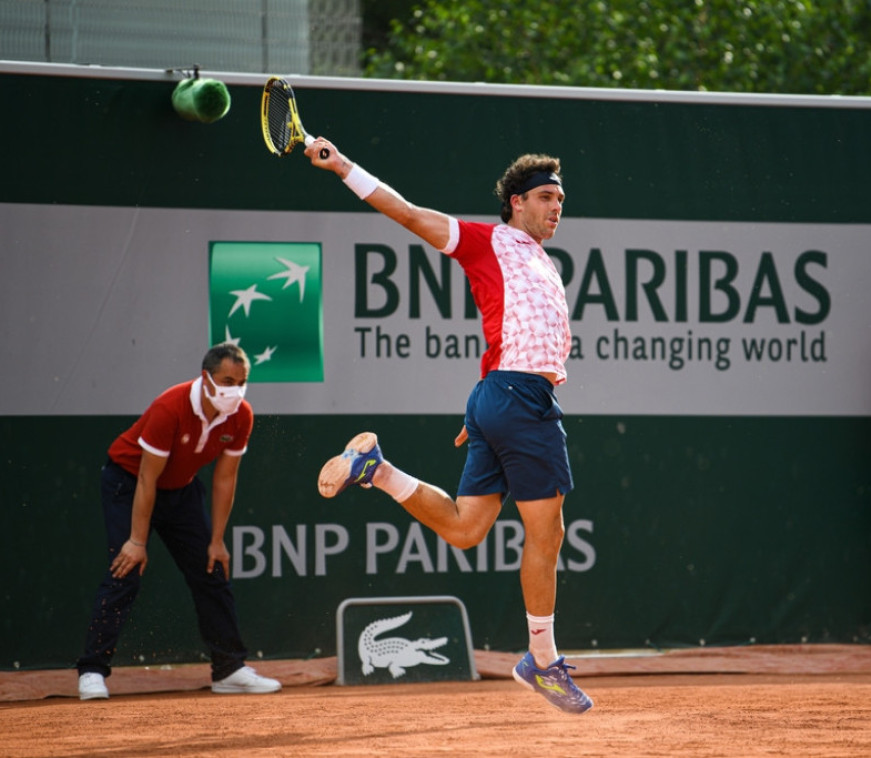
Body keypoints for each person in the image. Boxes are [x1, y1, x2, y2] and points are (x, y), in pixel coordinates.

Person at [304, 137, 593, 714]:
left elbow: (510, 334)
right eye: (543, 198)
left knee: (465, 530)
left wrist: (482, 406)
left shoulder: (542, 262)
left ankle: (378, 471)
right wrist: (343, 167)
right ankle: (541, 661)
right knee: (548, 535)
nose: (555, 207)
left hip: (500, 396)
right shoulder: (488, 241)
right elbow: (408, 212)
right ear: (515, 203)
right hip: (520, 400)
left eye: (560, 199)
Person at [76, 343, 281, 699]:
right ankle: (92, 671)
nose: (235, 389)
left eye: (242, 381)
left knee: (211, 568)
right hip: (129, 482)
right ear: (206, 378)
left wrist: (217, 539)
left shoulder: (241, 415)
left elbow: (224, 479)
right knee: (125, 569)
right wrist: (137, 541)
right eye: (227, 380)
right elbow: (146, 479)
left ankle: (228, 669)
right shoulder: (169, 407)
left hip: (181, 490)